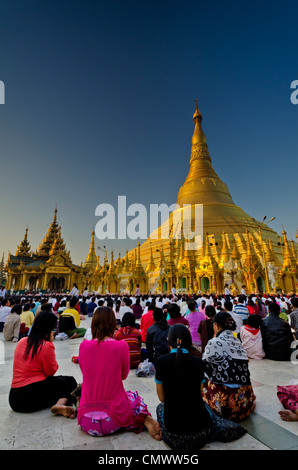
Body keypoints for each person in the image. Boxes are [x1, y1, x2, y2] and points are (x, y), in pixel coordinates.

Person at [154, 324, 247, 452]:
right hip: (201, 434)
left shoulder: (160, 362)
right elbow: (199, 393)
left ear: (168, 341)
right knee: (205, 406)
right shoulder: (198, 362)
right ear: (189, 342)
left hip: (174, 437)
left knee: (160, 408)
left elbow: (162, 398)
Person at [77, 306, 162, 440]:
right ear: (113, 324)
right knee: (134, 397)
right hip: (115, 419)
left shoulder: (83, 346)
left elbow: (86, 372)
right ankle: (143, 418)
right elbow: (123, 375)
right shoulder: (121, 346)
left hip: (86, 421)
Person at [9, 311, 77, 417]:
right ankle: (60, 404)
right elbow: (50, 372)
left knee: (60, 384)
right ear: (48, 329)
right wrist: (50, 342)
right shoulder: (46, 346)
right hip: (32, 398)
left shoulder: (22, 341)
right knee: (70, 382)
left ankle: (61, 404)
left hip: (15, 399)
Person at [202, 311, 256, 421]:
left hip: (224, 406)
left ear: (216, 325)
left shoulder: (214, 342)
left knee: (202, 378)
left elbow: (203, 368)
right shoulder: (237, 341)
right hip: (245, 403)